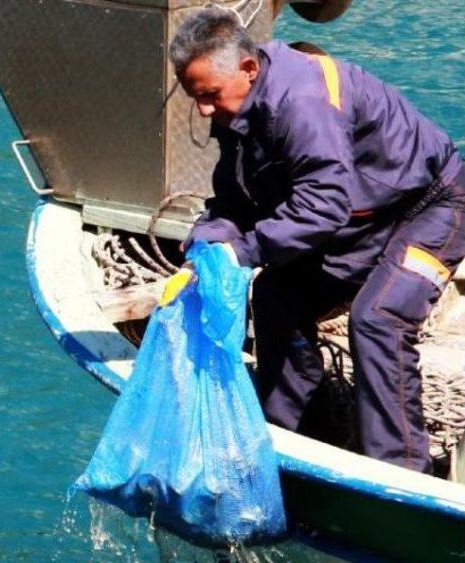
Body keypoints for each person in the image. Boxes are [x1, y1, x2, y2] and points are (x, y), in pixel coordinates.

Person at [170, 9, 465, 473]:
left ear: (248, 69)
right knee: (276, 297)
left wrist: (243, 251)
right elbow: (234, 199)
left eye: (209, 95)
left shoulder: (303, 103)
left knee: (379, 318)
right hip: (362, 215)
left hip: (431, 206)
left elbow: (322, 209)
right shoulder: (240, 108)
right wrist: (206, 244)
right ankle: (287, 439)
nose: (204, 110)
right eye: (195, 98)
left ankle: (400, 472)